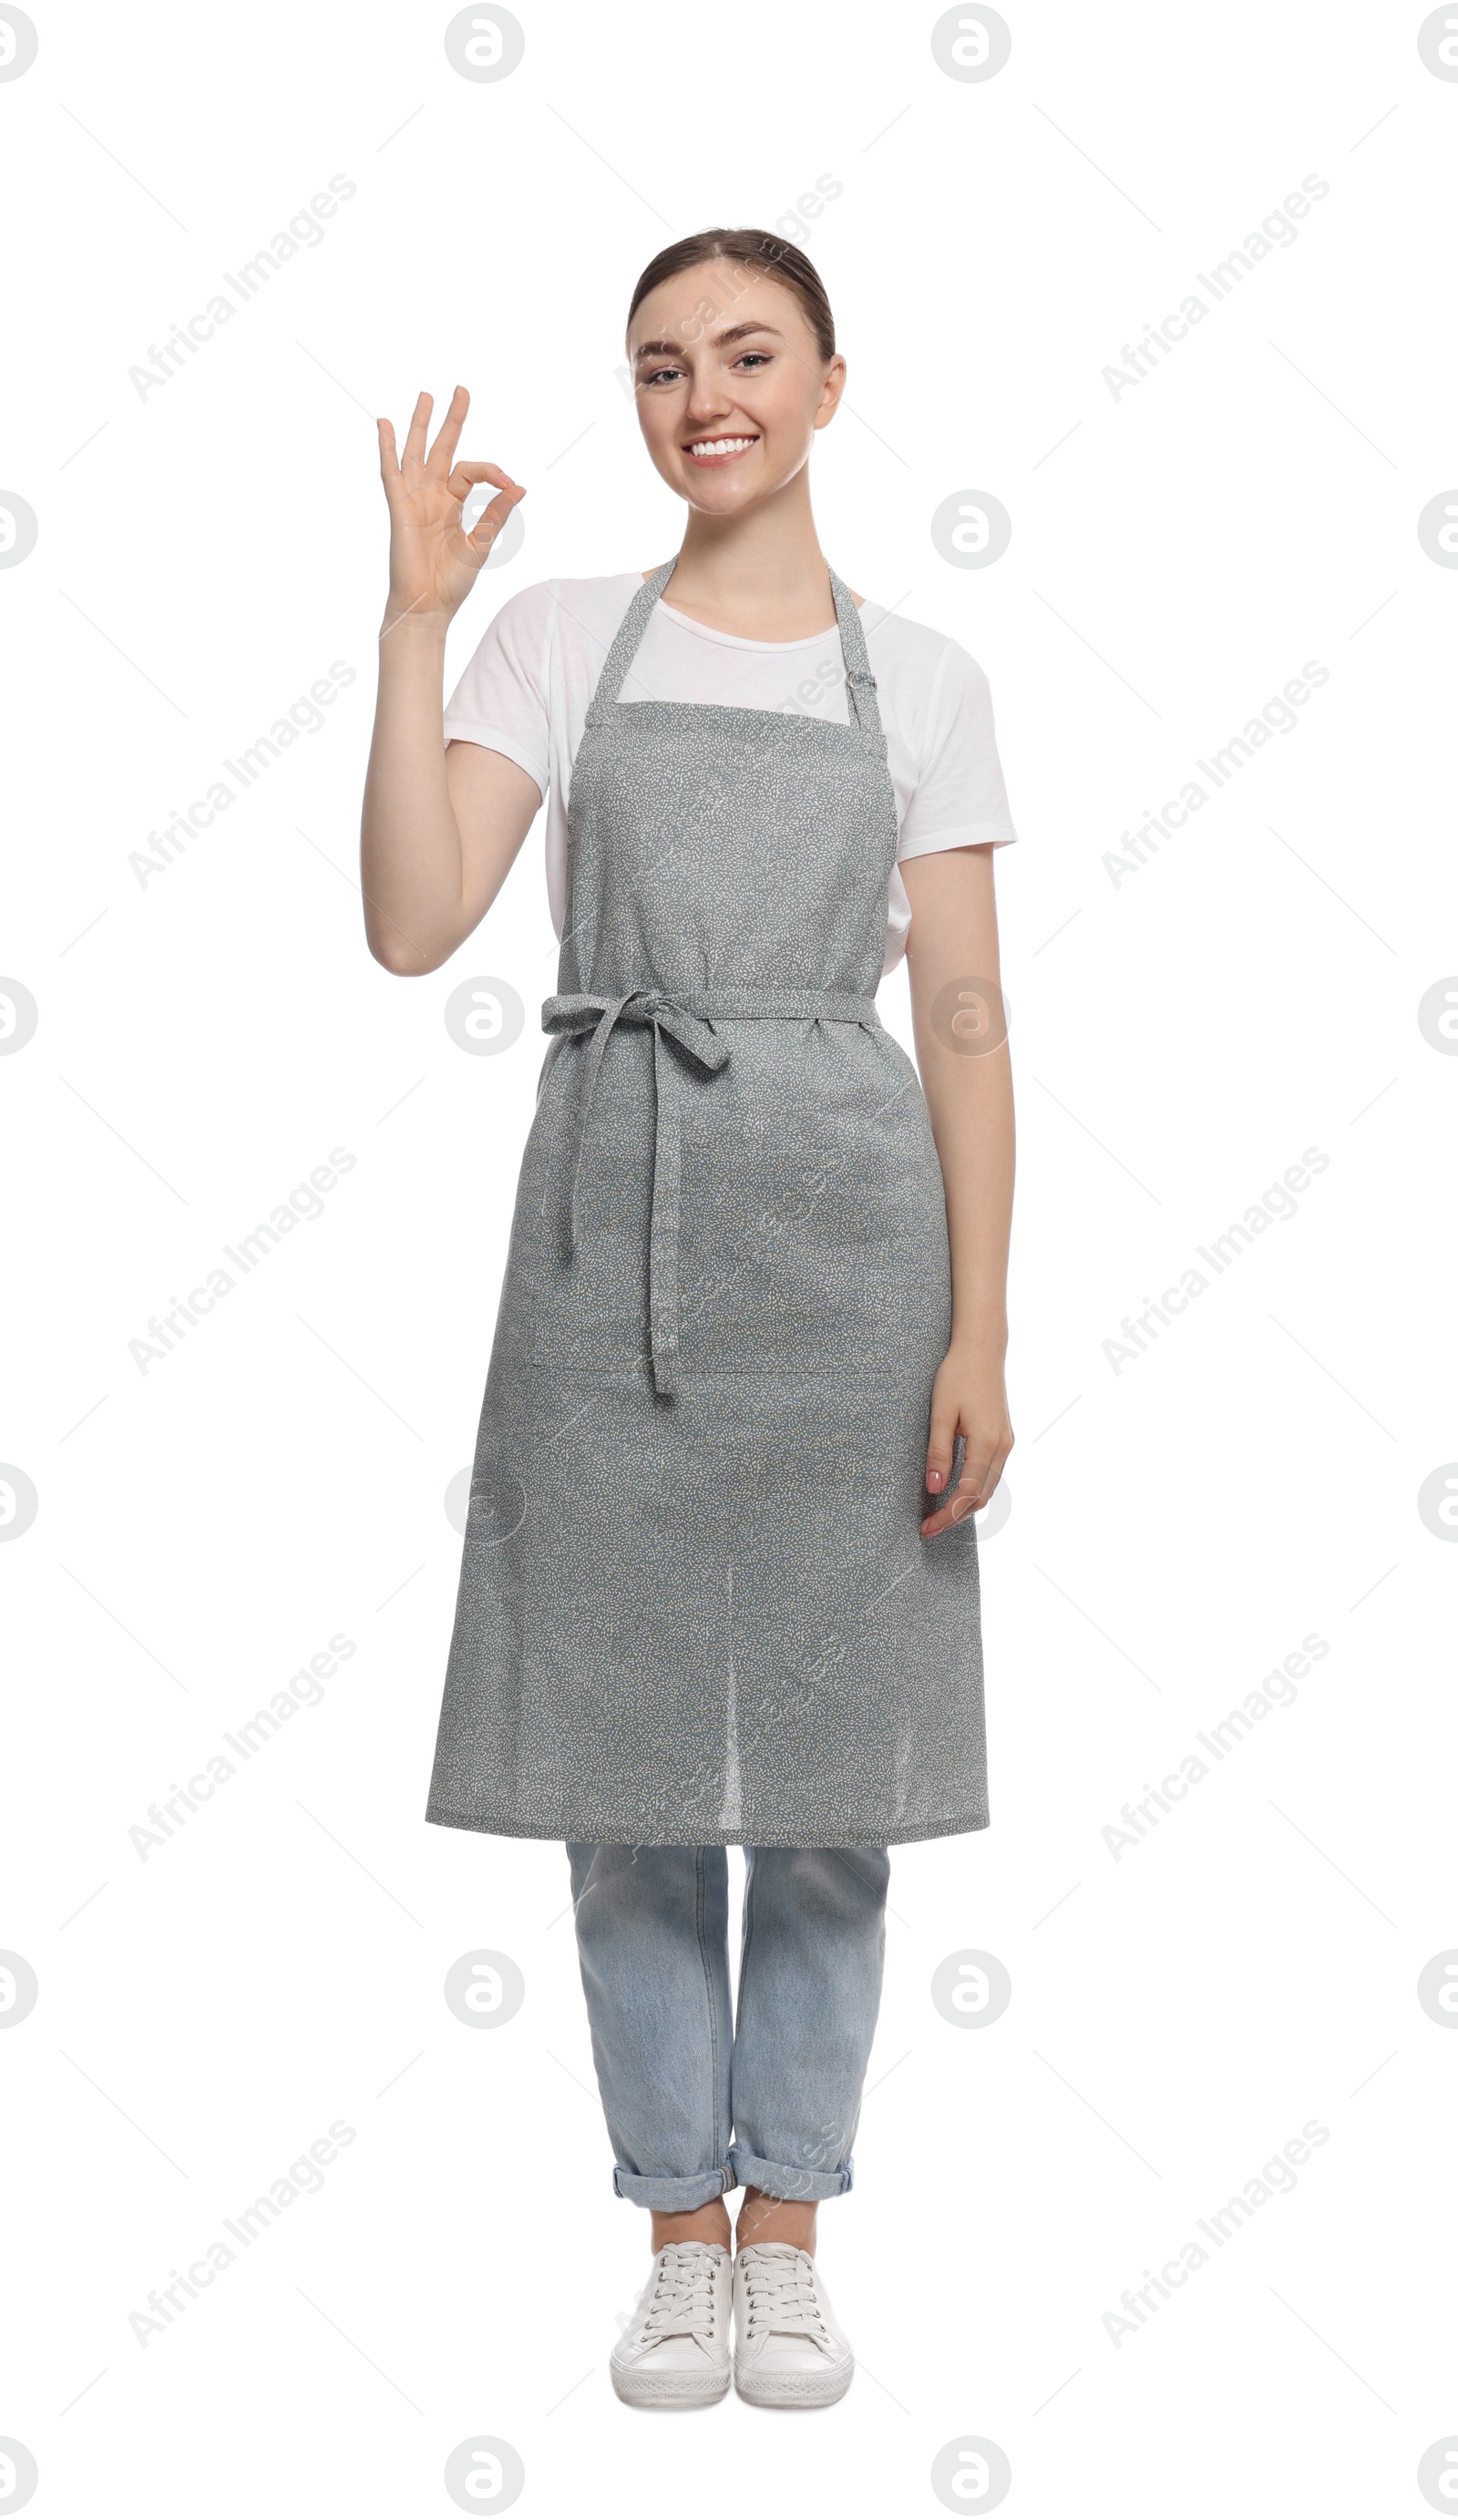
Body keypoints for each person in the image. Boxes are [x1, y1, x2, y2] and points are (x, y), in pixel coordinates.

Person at [361, 229, 1017, 2411]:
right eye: (658, 364)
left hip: (849, 1243)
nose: (700, 393)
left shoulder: (917, 674)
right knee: (622, 1757)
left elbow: (962, 1020)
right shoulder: (558, 637)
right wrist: (414, 624)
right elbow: (410, 918)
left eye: (746, 354)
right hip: (601, 1224)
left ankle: (792, 2227)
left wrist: (979, 1333)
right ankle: (674, 2228)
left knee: (833, 1762)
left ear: (831, 382)